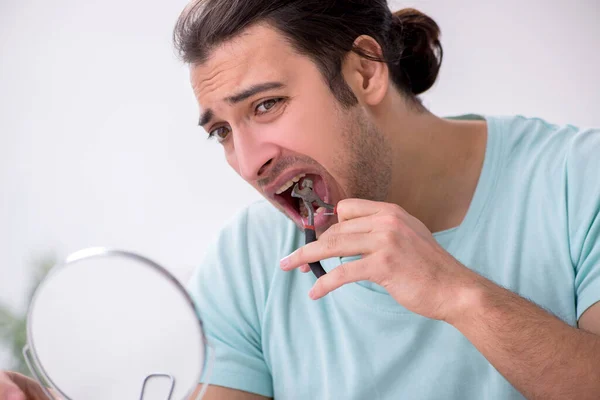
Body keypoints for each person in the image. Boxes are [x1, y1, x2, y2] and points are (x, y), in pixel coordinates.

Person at [2, 0, 600, 399]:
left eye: (266, 106)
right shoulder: (247, 258)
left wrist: (457, 293)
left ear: (365, 71)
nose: (247, 161)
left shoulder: (580, 178)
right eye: (221, 132)